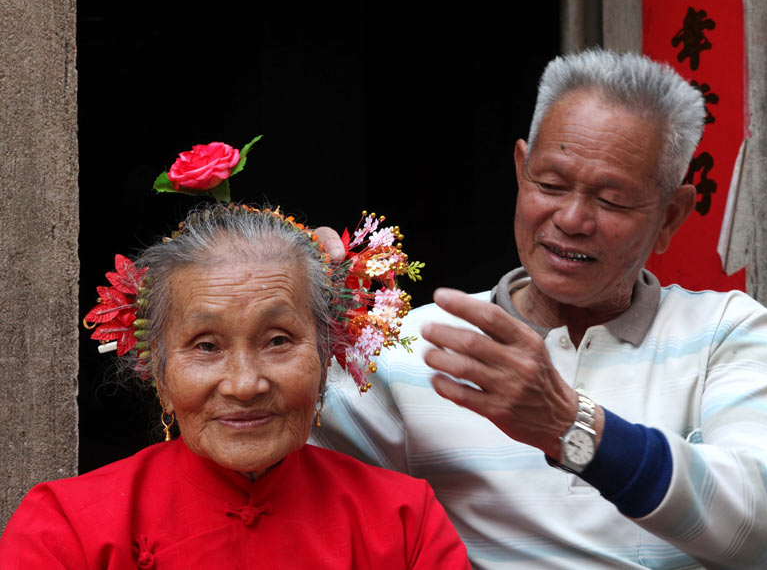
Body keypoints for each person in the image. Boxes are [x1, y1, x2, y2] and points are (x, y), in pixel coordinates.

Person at [312, 48, 767, 569]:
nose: (572, 218)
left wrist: (569, 426)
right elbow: (282, 477)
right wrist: (284, 322)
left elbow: (766, 528)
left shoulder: (723, 331)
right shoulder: (417, 345)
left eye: (612, 200)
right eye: (550, 184)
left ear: (671, 216)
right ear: (520, 171)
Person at [0, 203, 470, 569]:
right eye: (205, 346)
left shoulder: (406, 524)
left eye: (278, 340)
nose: (245, 384)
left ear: (326, 362)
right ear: (159, 374)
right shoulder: (65, 530)